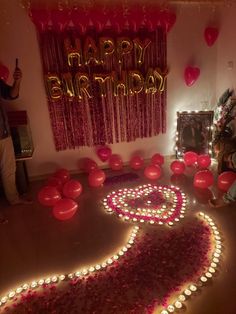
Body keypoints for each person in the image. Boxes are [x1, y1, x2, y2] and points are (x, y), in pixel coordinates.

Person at [0, 63, 31, 223]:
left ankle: (14, 199)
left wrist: (17, 80)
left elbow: (11, 94)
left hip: (2, 132)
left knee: (9, 168)